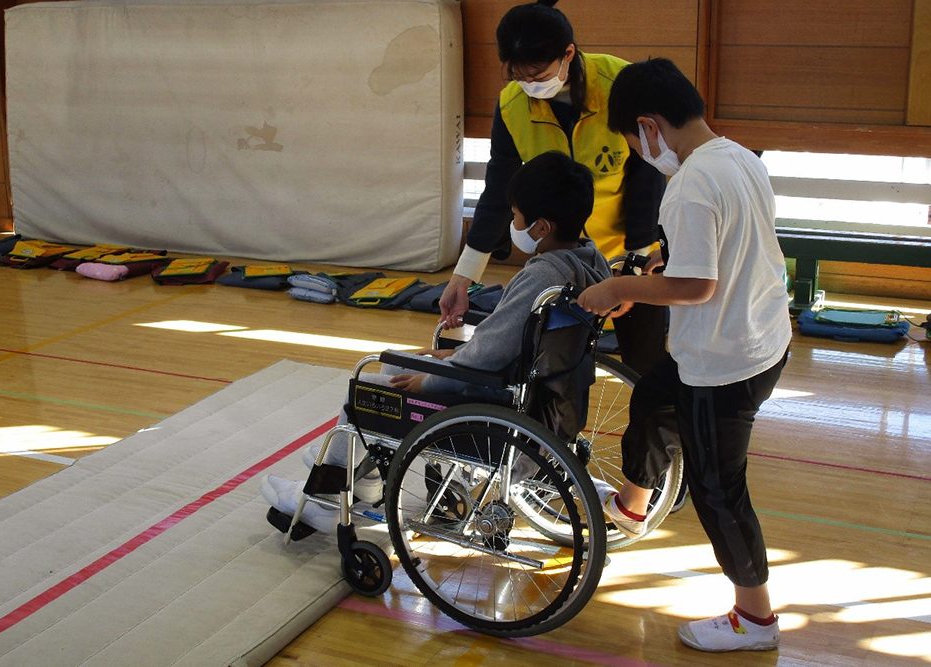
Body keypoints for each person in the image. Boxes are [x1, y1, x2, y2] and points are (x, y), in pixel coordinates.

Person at [263, 151, 612, 530]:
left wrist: (430, 379)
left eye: (515, 217)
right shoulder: (590, 263)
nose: (512, 223)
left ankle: (325, 501)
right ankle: (362, 475)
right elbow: (519, 342)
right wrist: (452, 352)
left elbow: (489, 353)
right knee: (398, 361)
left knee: (366, 387)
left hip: (498, 403)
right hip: (541, 396)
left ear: (540, 227)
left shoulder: (542, 276)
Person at [576, 58, 791, 652]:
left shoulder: (691, 185)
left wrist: (621, 288)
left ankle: (756, 620)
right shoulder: (738, 157)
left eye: (633, 143)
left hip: (723, 364)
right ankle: (632, 508)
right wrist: (656, 272)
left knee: (720, 491)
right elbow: (724, 252)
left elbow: (700, 288)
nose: (641, 154)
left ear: (649, 126)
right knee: (651, 398)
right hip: (757, 335)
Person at [439, 0, 667, 378]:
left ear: (568, 54)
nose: (529, 85)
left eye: (538, 74)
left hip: (630, 252)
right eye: (518, 76)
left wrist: (637, 264)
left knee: (647, 370)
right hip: (564, 260)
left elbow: (648, 178)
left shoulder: (622, 85)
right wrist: (463, 276)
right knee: (552, 369)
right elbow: (499, 190)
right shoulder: (512, 105)